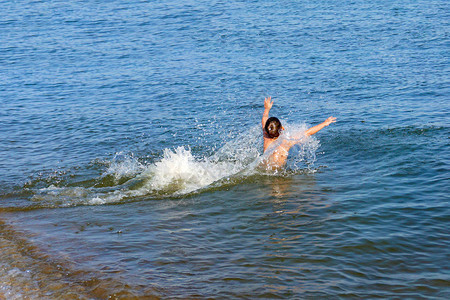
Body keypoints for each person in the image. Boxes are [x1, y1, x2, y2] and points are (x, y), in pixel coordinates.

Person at [262, 96, 336, 169]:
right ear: (282, 128)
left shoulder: (266, 137)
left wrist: (266, 109)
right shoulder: (286, 142)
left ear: (265, 131)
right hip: (278, 172)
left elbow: (264, 118)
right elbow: (308, 133)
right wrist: (324, 123)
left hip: (265, 168)